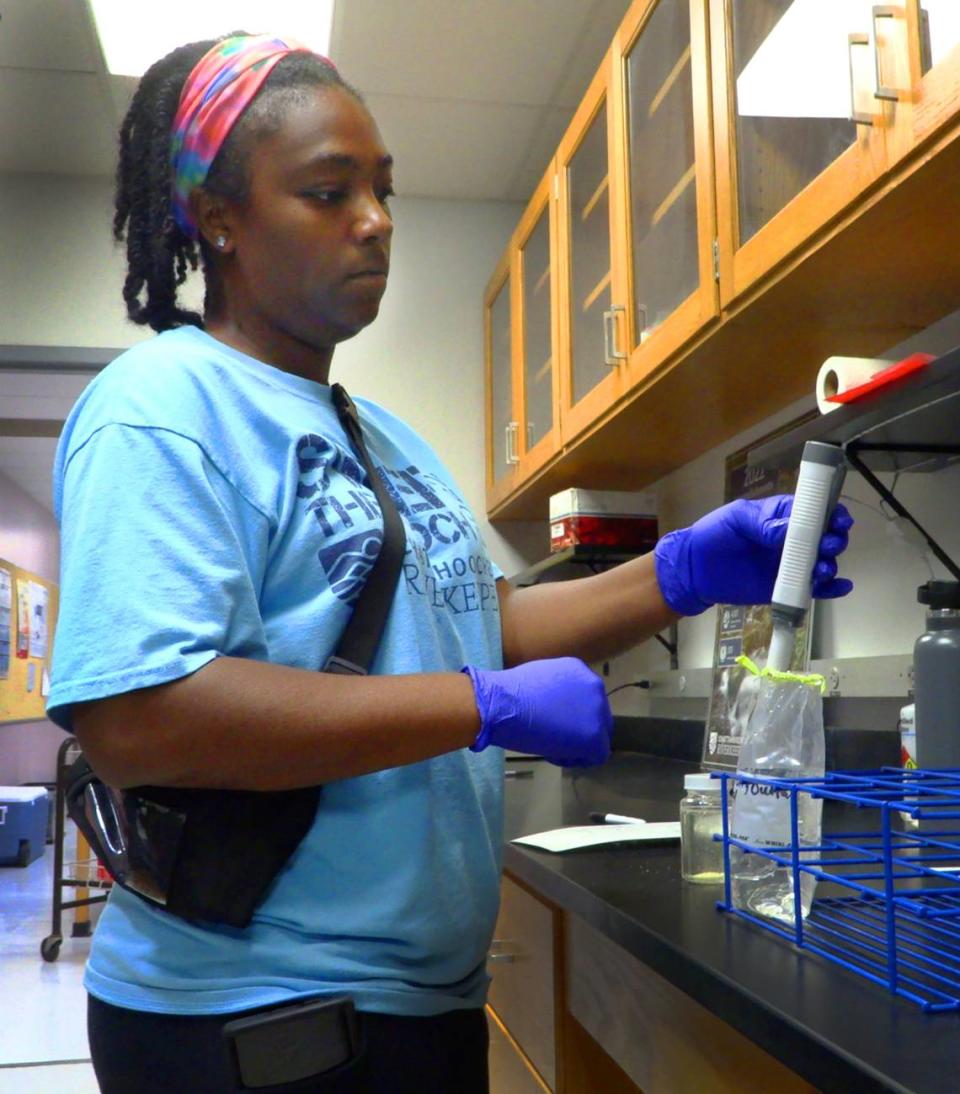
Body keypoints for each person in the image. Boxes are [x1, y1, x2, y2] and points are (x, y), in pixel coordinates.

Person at [47, 32, 854, 1094]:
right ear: (220, 220)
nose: (375, 221)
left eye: (380, 190)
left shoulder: (383, 434)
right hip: (257, 1019)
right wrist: (481, 703)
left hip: (418, 1006)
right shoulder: (160, 407)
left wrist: (684, 570)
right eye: (328, 192)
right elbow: (140, 716)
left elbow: (484, 619)